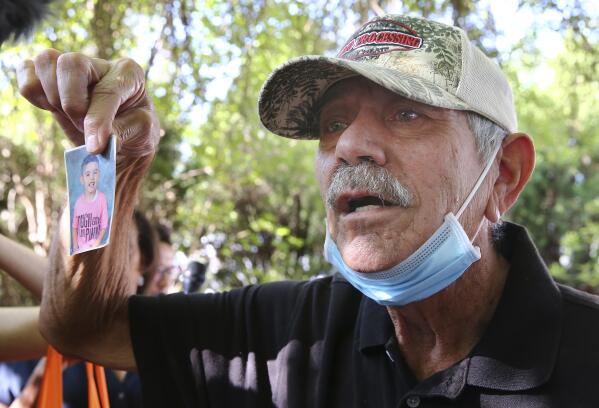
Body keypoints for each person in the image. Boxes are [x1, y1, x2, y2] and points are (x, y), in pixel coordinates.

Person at [17, 14, 599, 407]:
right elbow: (82, 327)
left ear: (503, 175)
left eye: (407, 114)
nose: (348, 145)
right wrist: (115, 168)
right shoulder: (289, 334)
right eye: (333, 123)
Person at [71, 154, 109, 253]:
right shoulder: (78, 202)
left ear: (99, 175)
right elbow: (74, 226)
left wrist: (97, 242)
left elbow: (104, 224)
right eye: (87, 174)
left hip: (95, 249)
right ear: (82, 179)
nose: (92, 177)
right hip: (80, 249)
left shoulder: (102, 199)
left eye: (95, 173)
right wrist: (75, 247)